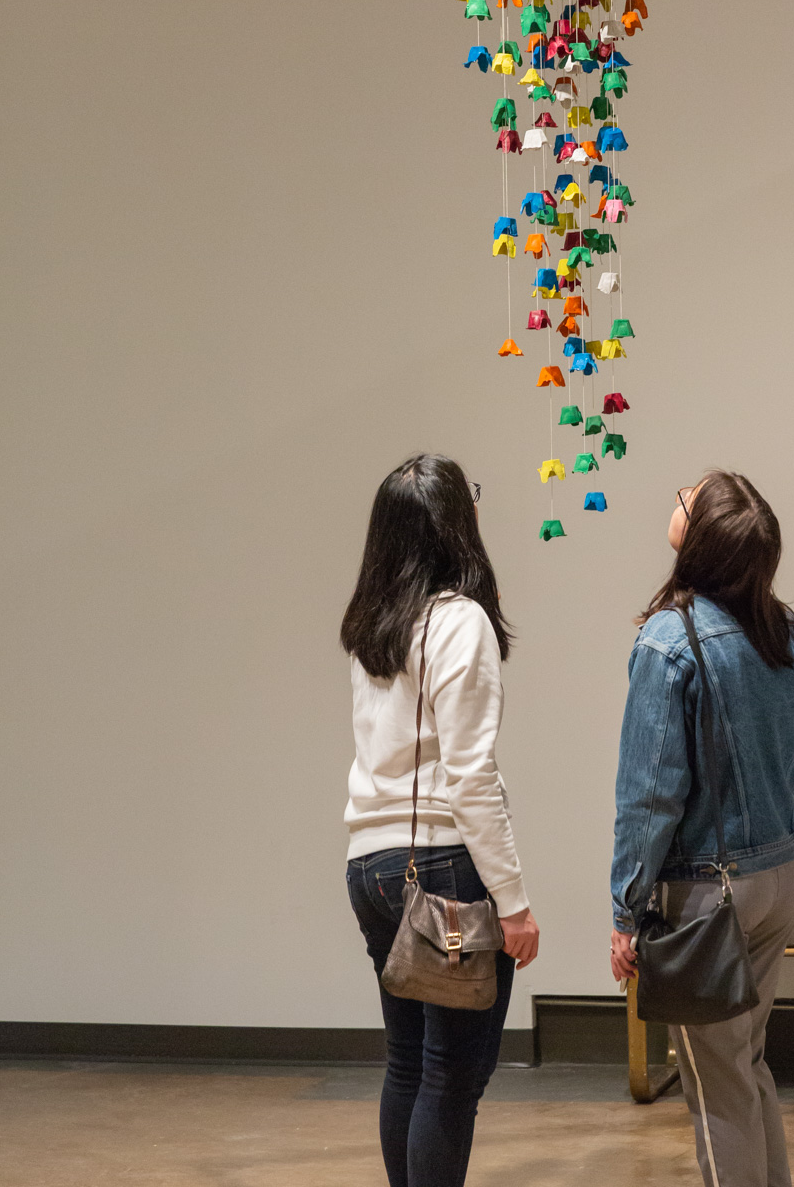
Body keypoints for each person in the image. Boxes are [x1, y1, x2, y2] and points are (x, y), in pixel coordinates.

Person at [610, 472, 794, 1187]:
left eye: (686, 498)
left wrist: (626, 909)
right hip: (779, 879)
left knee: (716, 1084)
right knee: (745, 1065)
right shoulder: (788, 633)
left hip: (706, 898)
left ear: (703, 537)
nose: (675, 500)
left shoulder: (669, 643)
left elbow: (648, 797)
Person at [342, 455, 539, 1187]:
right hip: (443, 868)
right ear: (456, 524)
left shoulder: (373, 629)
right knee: (453, 1075)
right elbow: (470, 776)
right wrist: (513, 902)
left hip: (371, 866)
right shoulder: (461, 623)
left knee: (408, 1063)